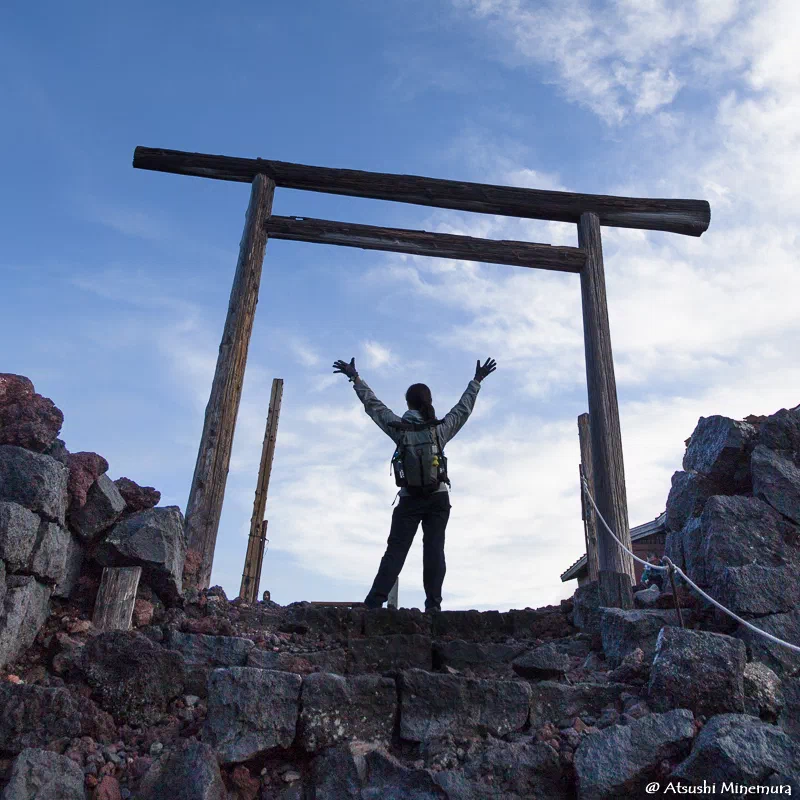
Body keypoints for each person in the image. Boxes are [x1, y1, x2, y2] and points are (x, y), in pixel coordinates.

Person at [332, 356, 497, 612]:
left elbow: (373, 405)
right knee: (433, 551)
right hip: (438, 497)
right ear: (429, 402)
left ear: (408, 403)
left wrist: (355, 378)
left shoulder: (400, 428)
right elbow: (463, 409)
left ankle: (374, 602)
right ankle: (433, 606)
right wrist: (477, 381)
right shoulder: (439, 430)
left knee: (396, 551)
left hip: (409, 499)